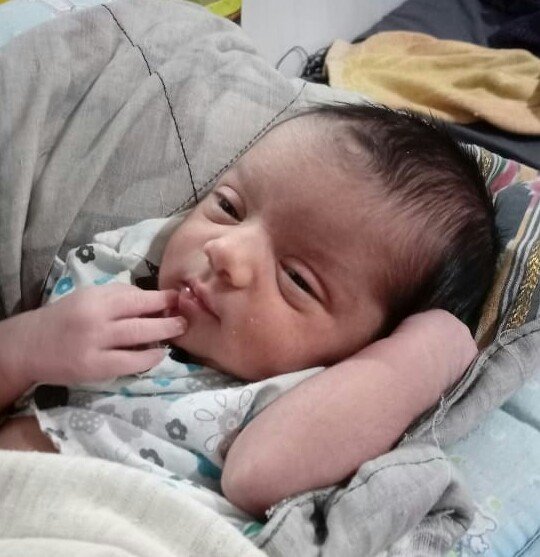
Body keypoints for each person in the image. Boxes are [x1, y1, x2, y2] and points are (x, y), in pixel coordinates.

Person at [0, 104, 496, 523]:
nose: (225, 252)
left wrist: (423, 354)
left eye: (296, 278)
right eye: (228, 207)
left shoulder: (302, 399)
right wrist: (26, 346)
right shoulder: (114, 278)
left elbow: (256, 478)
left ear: (366, 349)